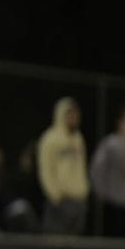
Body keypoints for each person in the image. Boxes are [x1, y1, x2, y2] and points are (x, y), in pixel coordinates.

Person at [90, 105, 125, 238]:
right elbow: (97, 169)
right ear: (120, 122)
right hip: (113, 201)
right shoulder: (110, 144)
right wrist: (100, 192)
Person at [37, 97, 89, 235]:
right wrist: (55, 196)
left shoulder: (78, 138)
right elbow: (45, 170)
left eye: (75, 114)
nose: (73, 118)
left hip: (78, 200)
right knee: (55, 245)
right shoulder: (50, 138)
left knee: (75, 246)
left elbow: (81, 168)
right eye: (69, 114)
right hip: (60, 200)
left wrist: (84, 191)